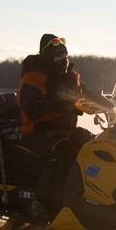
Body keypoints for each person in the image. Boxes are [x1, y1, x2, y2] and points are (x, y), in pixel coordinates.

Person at [17, 34, 94, 219]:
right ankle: (43, 203)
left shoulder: (70, 77)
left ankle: (92, 198)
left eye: (65, 56)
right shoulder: (34, 77)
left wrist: (110, 103)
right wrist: (62, 105)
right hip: (38, 131)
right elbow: (32, 107)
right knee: (62, 152)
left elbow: (86, 94)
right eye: (58, 57)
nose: (63, 60)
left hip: (65, 130)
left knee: (95, 145)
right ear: (47, 57)